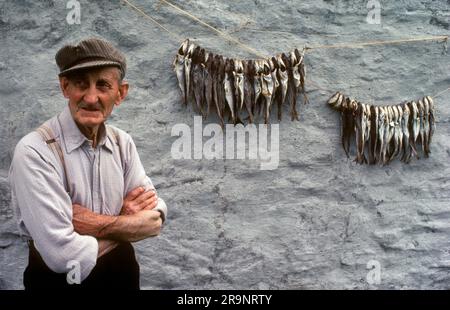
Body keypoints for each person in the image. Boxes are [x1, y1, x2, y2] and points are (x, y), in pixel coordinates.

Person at [8, 37, 167, 289]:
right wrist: (126, 222)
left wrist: (94, 223)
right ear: (65, 87)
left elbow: (155, 218)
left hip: (122, 277)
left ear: (120, 93)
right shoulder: (34, 151)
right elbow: (63, 256)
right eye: (81, 84)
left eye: (103, 85)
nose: (91, 97)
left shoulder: (122, 143)